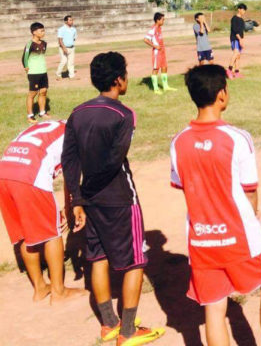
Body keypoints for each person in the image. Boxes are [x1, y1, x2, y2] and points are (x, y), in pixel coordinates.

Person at [170, 65, 261, 346]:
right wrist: (253, 213)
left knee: (214, 306)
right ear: (222, 95)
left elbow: (185, 187)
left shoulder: (178, 141)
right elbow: (250, 190)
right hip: (240, 236)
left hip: (201, 240)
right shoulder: (237, 138)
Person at [61, 52, 164, 345]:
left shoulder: (77, 112)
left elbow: (68, 159)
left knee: (97, 257)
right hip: (119, 197)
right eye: (127, 75)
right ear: (119, 80)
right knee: (135, 262)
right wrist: (89, 191)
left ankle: (109, 325)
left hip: (89, 201)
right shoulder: (124, 114)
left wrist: (78, 198)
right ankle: (128, 331)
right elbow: (113, 161)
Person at [0, 120, 85, 304]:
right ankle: (59, 292)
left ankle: (40, 288)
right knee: (52, 232)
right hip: (30, 177)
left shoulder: (53, 125)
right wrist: (70, 209)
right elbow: (71, 177)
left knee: (24, 233)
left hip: (4, 172)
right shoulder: (77, 135)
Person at [22, 22, 50, 123]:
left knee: (43, 92)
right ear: (34, 32)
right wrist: (26, 68)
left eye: (43, 30)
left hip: (43, 71)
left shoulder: (44, 43)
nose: (43, 32)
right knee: (32, 93)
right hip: (34, 73)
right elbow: (24, 58)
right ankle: (30, 116)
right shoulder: (30, 44)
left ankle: (42, 112)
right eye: (41, 31)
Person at [144, 13, 175, 94]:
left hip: (162, 51)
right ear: (157, 20)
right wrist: (155, 46)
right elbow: (145, 39)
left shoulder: (159, 28)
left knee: (164, 67)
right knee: (156, 69)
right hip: (157, 52)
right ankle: (156, 89)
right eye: (162, 19)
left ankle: (165, 87)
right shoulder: (153, 29)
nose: (163, 21)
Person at [56, 15, 77, 80]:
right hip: (63, 48)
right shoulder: (61, 29)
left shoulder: (74, 29)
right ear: (66, 21)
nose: (72, 21)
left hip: (72, 47)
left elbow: (74, 38)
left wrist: (71, 45)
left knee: (71, 62)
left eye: (72, 20)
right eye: (70, 20)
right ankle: (58, 74)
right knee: (64, 61)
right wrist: (64, 48)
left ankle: (72, 76)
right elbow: (60, 40)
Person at [229, 3, 247, 78]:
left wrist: (242, 40)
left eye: (245, 10)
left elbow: (241, 31)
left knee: (238, 56)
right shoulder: (234, 18)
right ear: (239, 9)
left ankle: (236, 72)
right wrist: (239, 39)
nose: (244, 11)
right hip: (235, 38)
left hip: (240, 39)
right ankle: (229, 70)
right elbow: (235, 30)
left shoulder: (242, 20)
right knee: (235, 53)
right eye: (243, 10)